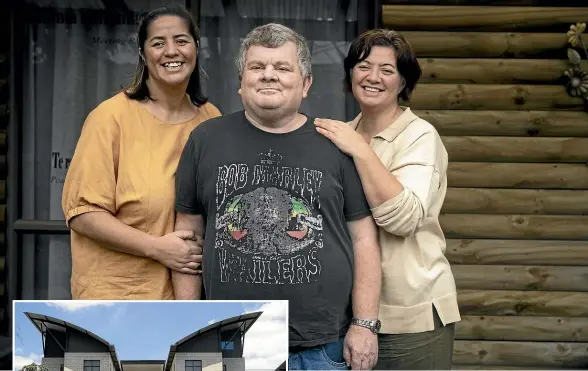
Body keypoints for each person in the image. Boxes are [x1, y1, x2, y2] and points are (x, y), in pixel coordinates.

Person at [173, 23, 382, 370]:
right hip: (231, 343)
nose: (268, 76)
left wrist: (364, 324)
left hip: (322, 346)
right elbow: (188, 238)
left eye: (282, 68)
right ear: (241, 82)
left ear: (306, 83)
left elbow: (363, 239)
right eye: (257, 67)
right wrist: (191, 323)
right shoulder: (205, 140)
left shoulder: (337, 142)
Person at [314, 29, 461, 370]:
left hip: (411, 316)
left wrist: (360, 150)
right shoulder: (345, 134)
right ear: (350, 72)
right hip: (350, 316)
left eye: (387, 69)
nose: (373, 77)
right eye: (364, 66)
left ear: (403, 81)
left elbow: (404, 218)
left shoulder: (419, 136)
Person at [61, 5, 221, 300]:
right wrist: (157, 247)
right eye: (158, 43)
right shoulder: (110, 117)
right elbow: (82, 213)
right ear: (142, 54)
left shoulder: (211, 119)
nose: (171, 51)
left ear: (197, 49)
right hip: (118, 299)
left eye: (182, 40)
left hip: (186, 301)